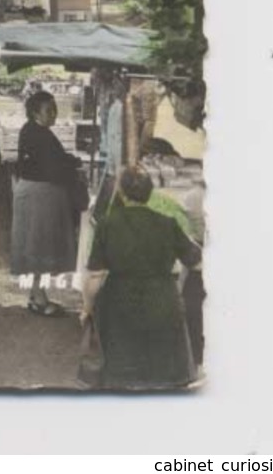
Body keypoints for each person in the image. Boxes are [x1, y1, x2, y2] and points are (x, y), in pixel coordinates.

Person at [81, 166, 203, 389]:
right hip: (163, 302)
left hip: (120, 304)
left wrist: (87, 308)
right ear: (150, 193)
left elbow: (95, 277)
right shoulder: (168, 224)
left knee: (123, 377)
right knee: (162, 379)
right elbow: (197, 262)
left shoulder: (107, 225)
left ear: (122, 193)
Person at [11, 90, 82, 316]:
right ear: (35, 112)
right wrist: (73, 165)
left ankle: (36, 294)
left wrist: (69, 161)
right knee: (39, 244)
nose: (53, 114)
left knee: (35, 244)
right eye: (48, 110)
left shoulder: (34, 131)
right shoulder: (39, 134)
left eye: (55, 110)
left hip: (34, 192)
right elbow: (53, 166)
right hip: (39, 194)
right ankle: (40, 299)